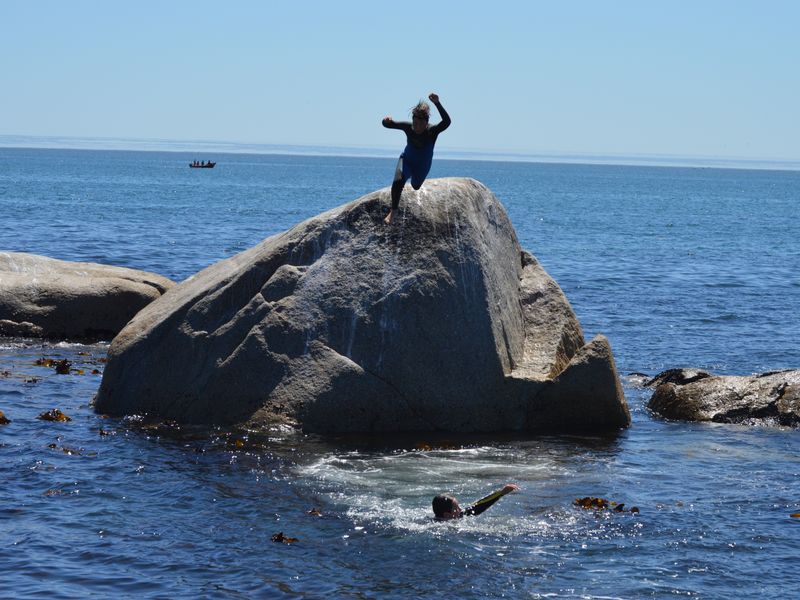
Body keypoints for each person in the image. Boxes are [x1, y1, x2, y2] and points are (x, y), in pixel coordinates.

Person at [382, 92, 451, 224]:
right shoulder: (408, 127)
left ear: (426, 123)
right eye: (415, 123)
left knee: (416, 186)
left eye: (421, 124)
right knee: (398, 181)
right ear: (412, 120)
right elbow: (388, 125)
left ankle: (415, 181)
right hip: (407, 160)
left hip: (422, 166)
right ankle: (393, 212)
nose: (417, 127)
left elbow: (447, 122)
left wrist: (437, 103)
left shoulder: (432, 131)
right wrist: (386, 120)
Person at [432, 484, 519, 520]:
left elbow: (478, 506)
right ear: (447, 515)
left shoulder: (455, 516)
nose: (460, 509)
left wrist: (501, 493)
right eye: (457, 508)